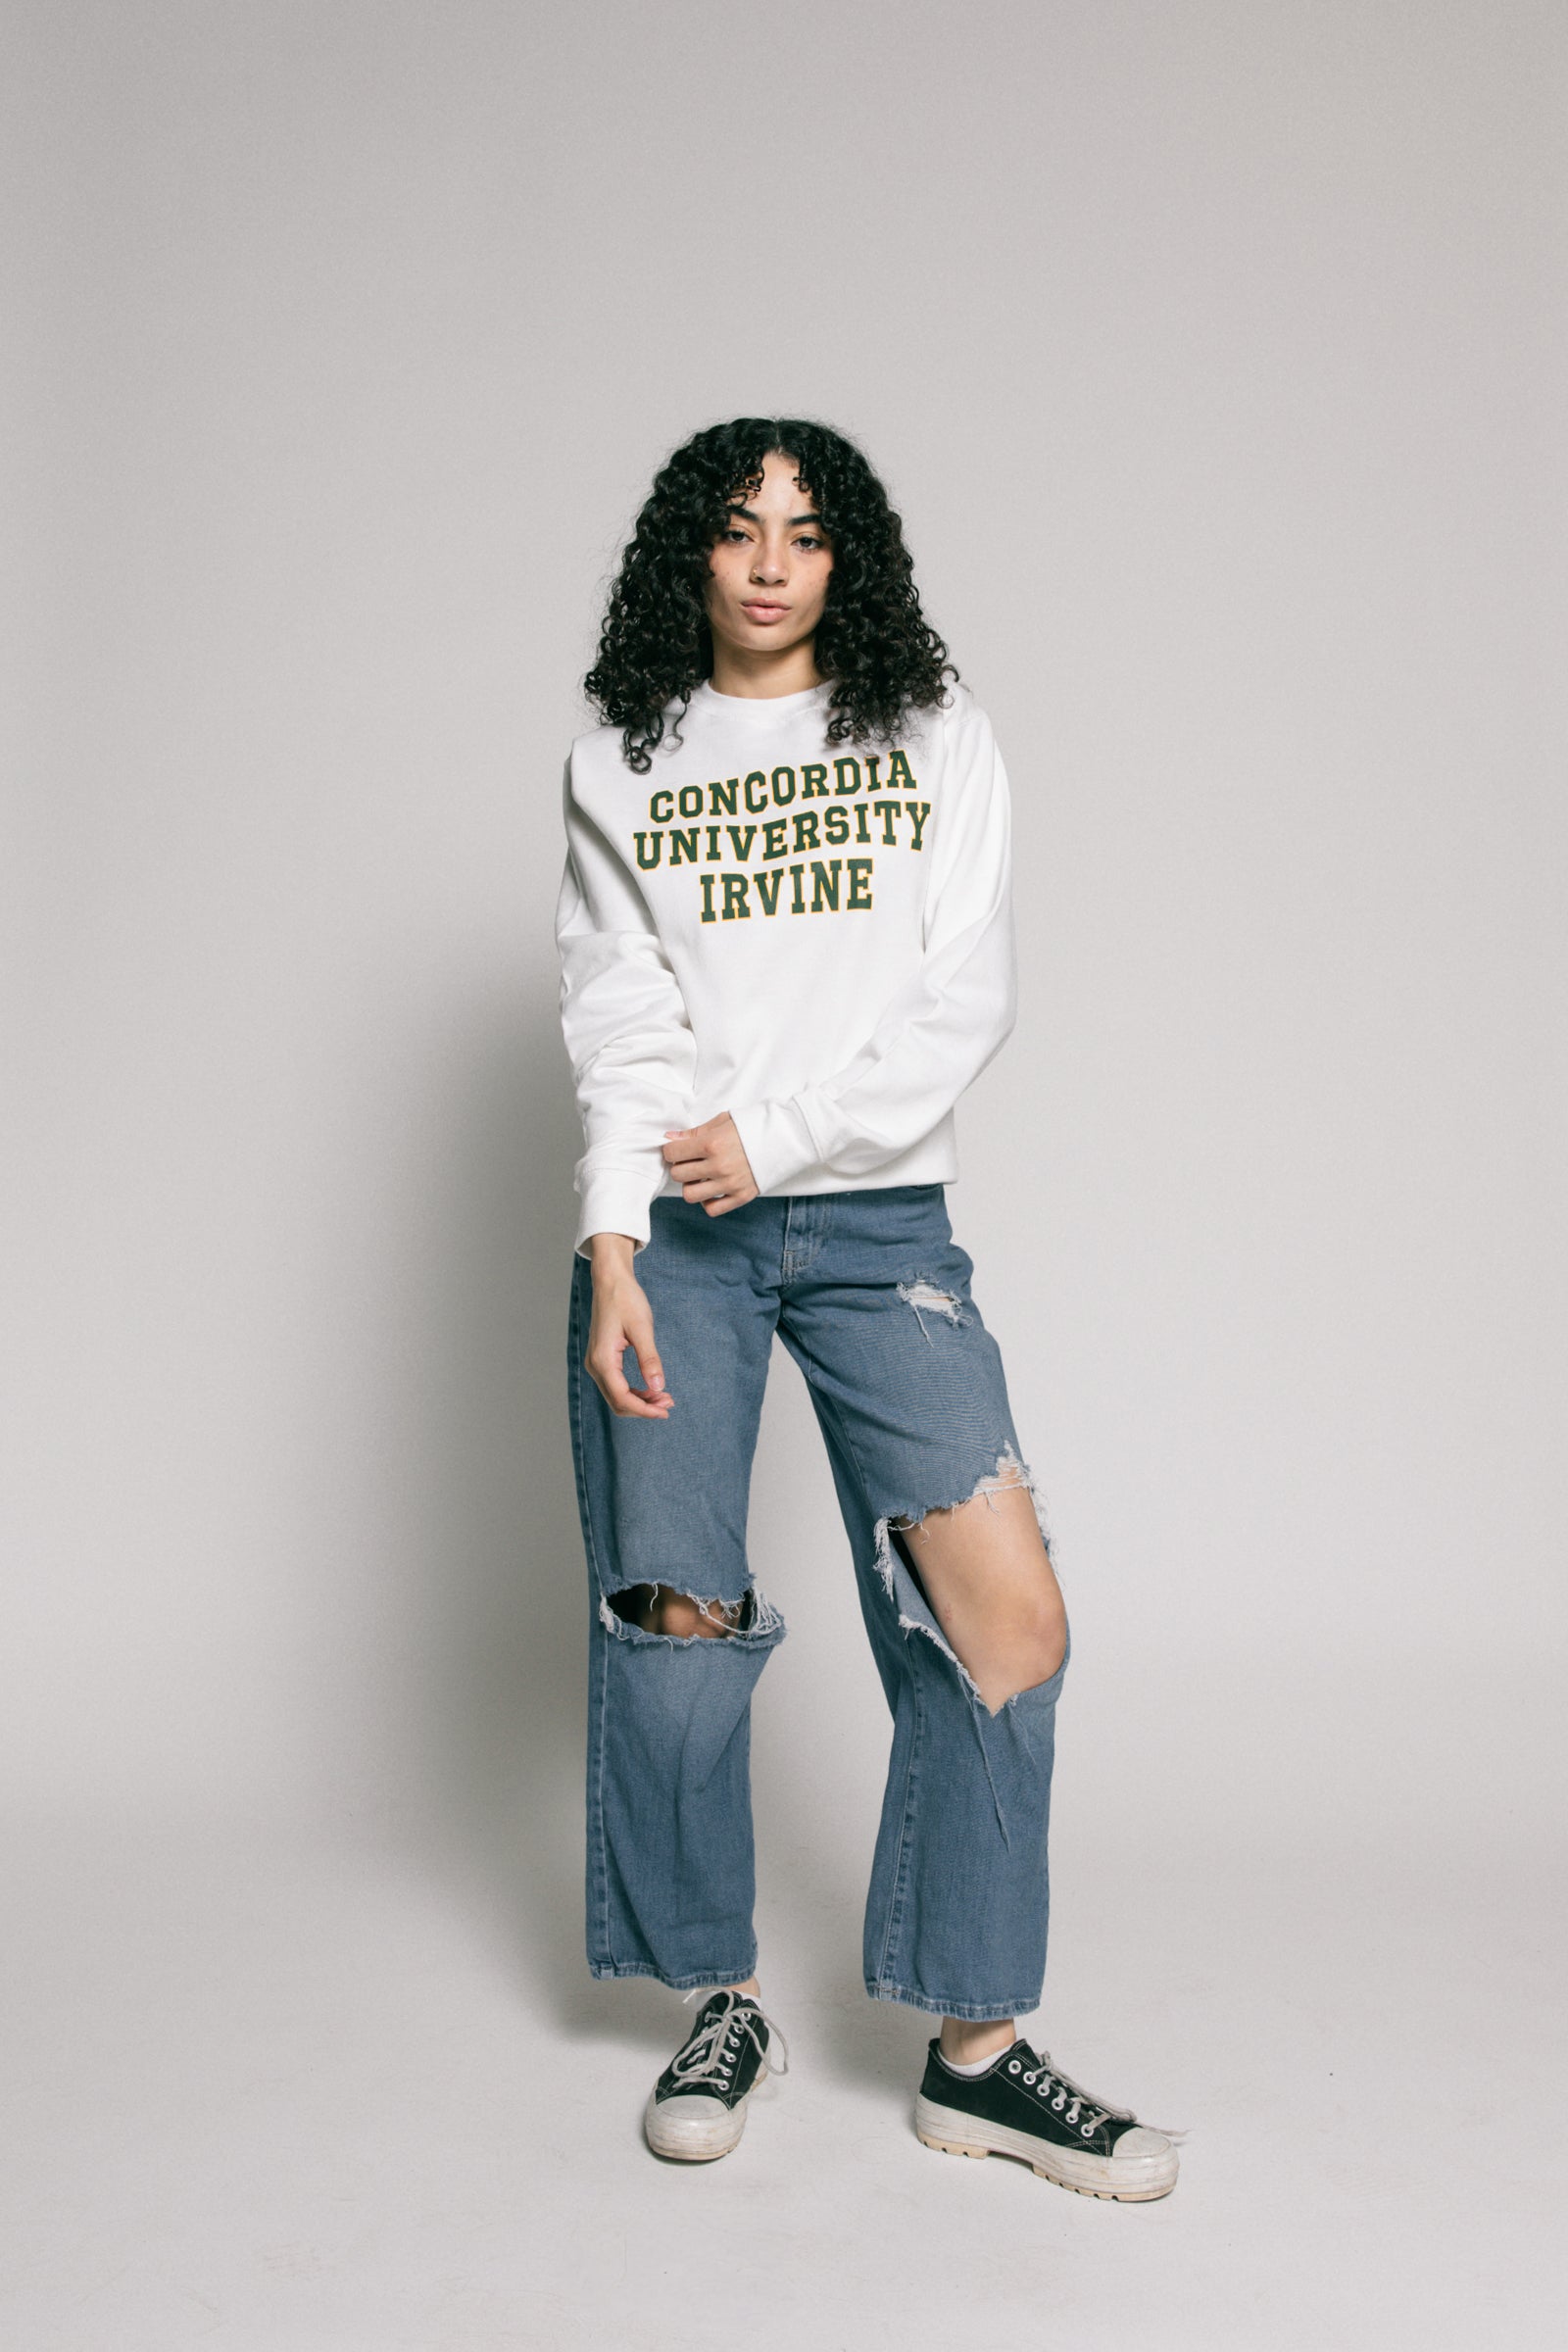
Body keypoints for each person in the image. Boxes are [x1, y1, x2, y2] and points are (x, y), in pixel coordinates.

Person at [554, 418, 1178, 2200]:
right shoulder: (623, 754)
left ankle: (977, 2056)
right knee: (676, 1625)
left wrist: (783, 1136)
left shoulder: (932, 729)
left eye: (808, 532)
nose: (771, 562)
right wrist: (614, 1237)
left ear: (849, 561)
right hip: (678, 1239)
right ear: (689, 552)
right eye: (739, 529)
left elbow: (963, 997)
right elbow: (621, 1013)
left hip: (875, 1223)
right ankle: (719, 2000)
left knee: (1007, 1624)